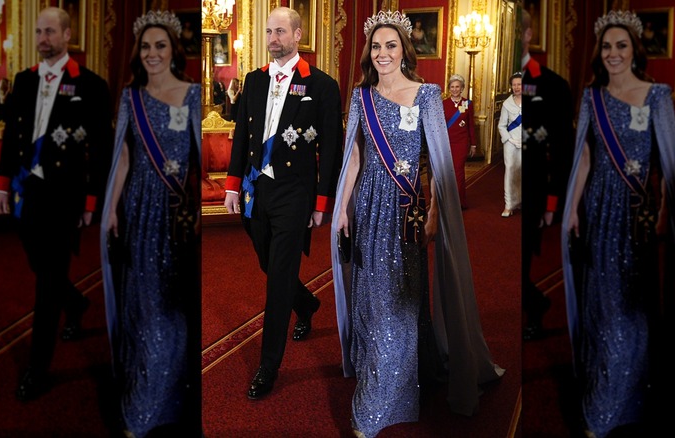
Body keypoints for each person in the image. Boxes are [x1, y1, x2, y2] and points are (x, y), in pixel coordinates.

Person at [331, 10, 504, 438]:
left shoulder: (426, 94)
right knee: (373, 293)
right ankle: (386, 372)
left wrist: (432, 213)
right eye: (376, 46)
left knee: (401, 297)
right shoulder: (360, 97)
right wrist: (341, 208)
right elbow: (354, 157)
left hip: (405, 210)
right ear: (369, 53)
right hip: (368, 205)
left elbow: (439, 166)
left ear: (404, 50)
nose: (383, 53)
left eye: (391, 45)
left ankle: (386, 395)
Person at [561, 10, 675, 437]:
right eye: (606, 47)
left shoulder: (658, 94)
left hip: (638, 213)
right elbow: (586, 156)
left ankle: (623, 397)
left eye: (621, 45)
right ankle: (605, 385)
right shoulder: (592, 97)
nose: (613, 54)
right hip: (598, 208)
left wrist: (664, 209)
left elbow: (668, 159)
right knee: (602, 299)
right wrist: (572, 207)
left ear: (635, 49)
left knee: (633, 301)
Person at [0, 6, 112, 401]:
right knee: (37, 263)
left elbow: (100, 148)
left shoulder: (90, 85)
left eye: (50, 32)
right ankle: (75, 303)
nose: (43, 38)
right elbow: (13, 135)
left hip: (65, 195)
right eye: (39, 31)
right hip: (29, 191)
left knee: (45, 283)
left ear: (66, 35)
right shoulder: (24, 81)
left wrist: (92, 200)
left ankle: (36, 368)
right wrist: (2, 185)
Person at [224, 6, 342, 400]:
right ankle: (307, 304)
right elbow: (243, 133)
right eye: (269, 32)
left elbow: (331, 147)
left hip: (294, 193)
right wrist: (232, 185)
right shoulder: (254, 81)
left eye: (280, 32)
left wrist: (322, 200)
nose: (273, 38)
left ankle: (267, 365)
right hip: (257, 189)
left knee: (277, 279)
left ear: (297, 35)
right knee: (265, 260)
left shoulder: (321, 85)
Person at [100, 10, 202, 436]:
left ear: (173, 50)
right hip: (139, 210)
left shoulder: (194, 94)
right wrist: (110, 209)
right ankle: (141, 395)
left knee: (171, 305)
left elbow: (199, 158)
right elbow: (123, 158)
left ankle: (168, 399)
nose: (152, 53)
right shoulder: (130, 98)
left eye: (160, 45)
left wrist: (198, 209)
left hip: (175, 214)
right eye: (145, 47)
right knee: (142, 302)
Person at [520, 9, 574, 341]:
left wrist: (553, 201)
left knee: (522, 262)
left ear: (527, 34)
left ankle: (534, 306)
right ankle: (536, 302)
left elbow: (563, 151)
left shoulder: (552, 84)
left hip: (534, 190)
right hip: (503, 187)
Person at [442, 73, 476, 209]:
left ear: (462, 88)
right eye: (452, 87)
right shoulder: (443, 104)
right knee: (446, 172)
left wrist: (473, 144)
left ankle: (460, 201)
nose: (455, 89)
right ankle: (447, 201)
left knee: (458, 171)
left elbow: (471, 125)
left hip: (461, 143)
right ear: (449, 88)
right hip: (446, 142)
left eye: (458, 87)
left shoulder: (468, 103)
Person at [498, 72, 523, 217]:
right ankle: (508, 205)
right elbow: (501, 126)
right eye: (514, 85)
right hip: (511, 144)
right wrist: (509, 139)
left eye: (519, 84)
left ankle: (519, 201)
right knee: (510, 172)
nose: (516, 87)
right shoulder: (507, 104)